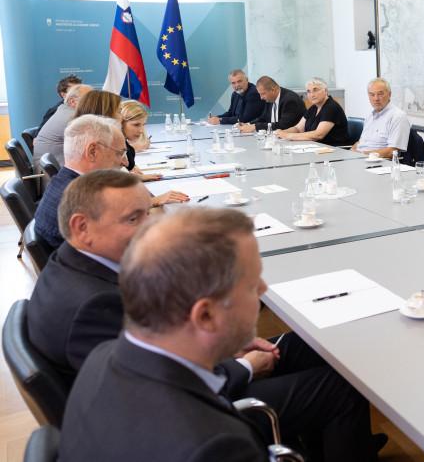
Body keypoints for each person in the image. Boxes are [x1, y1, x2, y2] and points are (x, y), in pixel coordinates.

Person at [32, 179, 379, 462]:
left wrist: (223, 343)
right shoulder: (217, 446)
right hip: (204, 408)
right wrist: (241, 365)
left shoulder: (103, 355)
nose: (263, 289)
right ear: (205, 315)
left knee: (307, 345)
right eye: (250, 285)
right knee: (342, 387)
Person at [34, 116, 187, 250]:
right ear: (92, 151)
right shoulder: (89, 203)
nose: (124, 161)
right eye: (119, 153)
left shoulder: (62, 183)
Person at [277, 77, 351, 147]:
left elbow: (318, 135)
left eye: (315, 90)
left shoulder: (332, 107)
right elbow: (298, 129)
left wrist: (288, 136)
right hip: (317, 148)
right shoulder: (314, 107)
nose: (311, 95)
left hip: (334, 151)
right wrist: (281, 133)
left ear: (325, 91)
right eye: (308, 91)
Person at [351, 78, 410, 160]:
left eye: (380, 94)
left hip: (379, 164)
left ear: (389, 94)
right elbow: (362, 142)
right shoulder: (370, 116)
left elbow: (392, 152)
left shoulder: (397, 117)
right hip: (360, 159)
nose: (376, 98)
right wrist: (351, 152)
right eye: (372, 94)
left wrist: (362, 154)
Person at [32, 83, 91, 165]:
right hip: (54, 174)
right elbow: (91, 144)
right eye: (89, 99)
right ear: (72, 101)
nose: (94, 102)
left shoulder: (63, 110)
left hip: (47, 169)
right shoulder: (72, 118)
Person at [237, 76, 305, 133]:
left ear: (272, 90)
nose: (261, 98)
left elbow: (283, 126)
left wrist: (255, 127)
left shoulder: (290, 100)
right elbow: (263, 118)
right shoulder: (270, 98)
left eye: (262, 94)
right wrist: (248, 124)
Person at [118, 100, 160, 179]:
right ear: (121, 122)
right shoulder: (111, 145)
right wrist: (138, 177)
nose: (141, 130)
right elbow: (111, 176)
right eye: (136, 125)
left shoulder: (125, 143)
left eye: (143, 124)